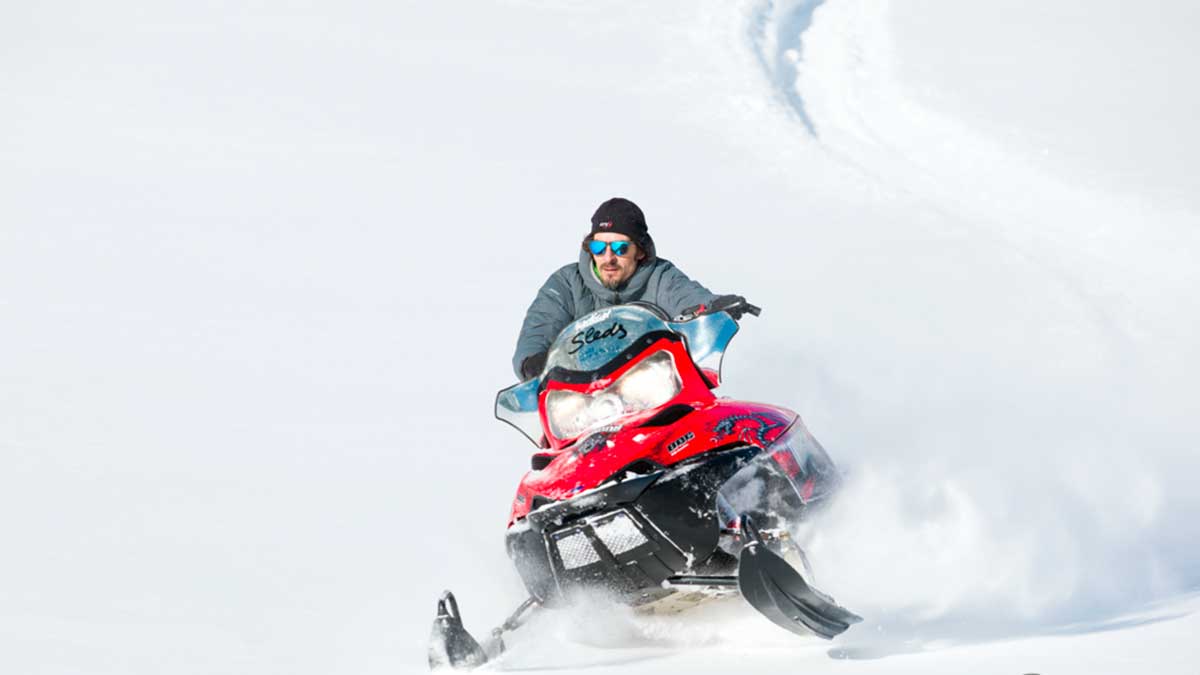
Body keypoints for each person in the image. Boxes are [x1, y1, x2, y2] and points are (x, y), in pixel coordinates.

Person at [512, 197, 743, 380]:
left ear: (640, 251)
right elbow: (540, 325)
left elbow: (686, 296)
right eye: (599, 247)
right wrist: (532, 361)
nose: (608, 258)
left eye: (620, 248)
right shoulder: (566, 283)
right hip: (584, 392)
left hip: (653, 385)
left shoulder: (660, 276)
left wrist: (713, 306)